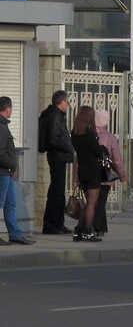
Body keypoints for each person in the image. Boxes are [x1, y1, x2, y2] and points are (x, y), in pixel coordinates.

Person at [0, 96, 35, 245]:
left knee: (11, 204)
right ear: (7, 109)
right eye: (12, 107)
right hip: (3, 172)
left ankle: (14, 234)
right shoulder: (1, 126)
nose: (12, 110)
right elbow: (0, 152)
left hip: (6, 172)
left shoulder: (4, 125)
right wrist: (12, 165)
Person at [38, 90, 74, 234]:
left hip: (59, 157)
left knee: (59, 192)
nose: (68, 104)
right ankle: (51, 224)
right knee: (56, 192)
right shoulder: (54, 116)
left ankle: (59, 223)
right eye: (66, 101)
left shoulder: (57, 115)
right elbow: (54, 138)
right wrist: (69, 148)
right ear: (61, 102)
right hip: (57, 157)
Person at [70, 105, 105, 242]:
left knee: (87, 203)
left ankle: (78, 230)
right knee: (92, 203)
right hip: (93, 171)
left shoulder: (74, 133)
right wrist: (101, 148)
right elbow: (98, 152)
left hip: (82, 170)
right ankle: (88, 231)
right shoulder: (89, 135)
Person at [92, 109, 126, 235]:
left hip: (92, 173)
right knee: (100, 202)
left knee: (95, 201)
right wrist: (123, 177)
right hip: (105, 174)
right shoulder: (110, 137)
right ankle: (95, 227)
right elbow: (117, 159)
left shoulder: (89, 135)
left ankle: (102, 227)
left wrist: (76, 178)